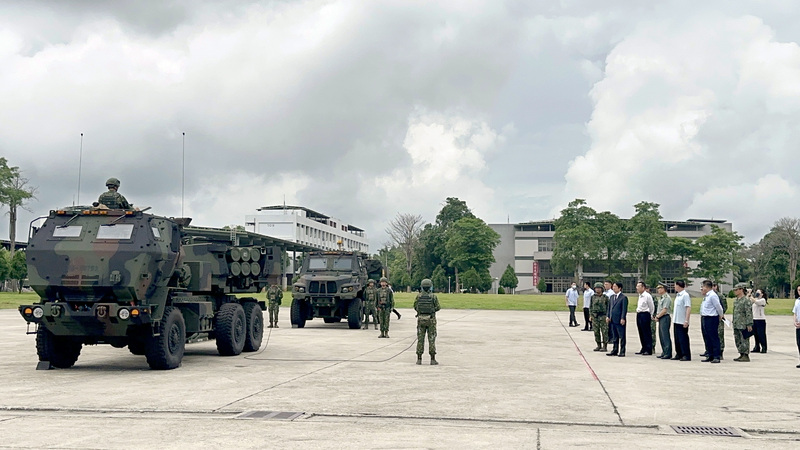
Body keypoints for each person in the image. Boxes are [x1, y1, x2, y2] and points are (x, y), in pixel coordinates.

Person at [414, 278, 441, 365]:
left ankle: (419, 359)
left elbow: (415, 306)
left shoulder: (418, 296)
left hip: (421, 319)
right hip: (431, 320)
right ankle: (432, 359)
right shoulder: (433, 296)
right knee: (431, 339)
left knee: (420, 339)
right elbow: (438, 307)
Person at [699, 280, 725, 363]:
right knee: (707, 337)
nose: (702, 288)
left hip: (712, 318)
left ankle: (716, 356)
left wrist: (721, 315)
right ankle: (710, 355)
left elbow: (718, 306)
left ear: (707, 287)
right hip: (706, 318)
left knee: (713, 337)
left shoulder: (713, 295)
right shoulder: (707, 296)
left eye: (703, 286)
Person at [732, 283, 754, 362]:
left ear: (741, 290)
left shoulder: (746, 300)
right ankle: (741, 354)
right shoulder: (736, 300)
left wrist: (749, 324)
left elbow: (748, 313)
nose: (735, 291)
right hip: (736, 323)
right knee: (737, 339)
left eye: (736, 290)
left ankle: (745, 355)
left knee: (744, 339)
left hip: (743, 324)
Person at [606, 282, 628, 357]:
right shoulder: (612, 297)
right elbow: (609, 308)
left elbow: (624, 309)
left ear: (619, 288)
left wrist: (623, 318)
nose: (613, 288)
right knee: (614, 336)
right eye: (613, 286)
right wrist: (608, 316)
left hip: (619, 320)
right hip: (612, 320)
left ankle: (622, 351)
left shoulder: (623, 298)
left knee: (622, 336)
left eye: (615, 286)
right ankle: (615, 350)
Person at [672, 280, 691, 361]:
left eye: (675, 285)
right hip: (676, 320)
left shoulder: (685, 295)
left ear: (678, 286)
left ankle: (685, 354)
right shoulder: (678, 295)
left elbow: (688, 307)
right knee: (677, 339)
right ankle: (679, 353)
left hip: (682, 321)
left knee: (683, 339)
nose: (674, 287)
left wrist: (686, 320)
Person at [635, 281, 655, 355]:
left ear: (643, 287)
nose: (637, 288)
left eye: (638, 286)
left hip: (645, 314)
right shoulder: (640, 296)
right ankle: (643, 348)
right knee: (641, 332)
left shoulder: (647, 296)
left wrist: (651, 314)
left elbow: (651, 306)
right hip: (639, 314)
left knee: (646, 332)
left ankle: (648, 349)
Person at [653, 282, 672, 359]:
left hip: (665, 317)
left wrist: (658, 316)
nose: (658, 290)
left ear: (664, 289)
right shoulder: (661, 297)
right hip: (661, 317)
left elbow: (664, 310)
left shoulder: (666, 297)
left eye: (660, 288)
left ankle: (668, 352)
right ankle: (664, 351)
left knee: (665, 336)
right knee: (661, 336)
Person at [589, 282, 609, 351]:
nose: (597, 289)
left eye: (599, 288)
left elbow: (608, 307)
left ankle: (605, 346)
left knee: (604, 331)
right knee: (596, 331)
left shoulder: (605, 297)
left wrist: (607, 316)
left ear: (602, 289)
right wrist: (591, 315)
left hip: (603, 316)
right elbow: (591, 307)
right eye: (596, 288)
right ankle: (598, 345)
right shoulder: (593, 297)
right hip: (595, 316)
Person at [750, 288, 768, 353]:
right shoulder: (755, 299)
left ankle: (764, 347)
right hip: (754, 319)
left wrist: (751, 296)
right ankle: (757, 347)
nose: (757, 293)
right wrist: (749, 294)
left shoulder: (763, 300)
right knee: (756, 334)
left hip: (760, 319)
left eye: (758, 292)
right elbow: (750, 301)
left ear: (762, 294)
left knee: (761, 334)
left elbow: (757, 302)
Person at [713, 282, 728, 360]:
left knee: (720, 335)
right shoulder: (709, 295)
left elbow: (724, 306)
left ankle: (720, 352)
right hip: (712, 318)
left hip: (719, 318)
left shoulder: (720, 296)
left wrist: (721, 314)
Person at [793, 286, 800, 368]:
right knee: (799, 343)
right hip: (798, 325)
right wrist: (795, 321)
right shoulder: (797, 301)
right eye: (798, 290)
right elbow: (795, 312)